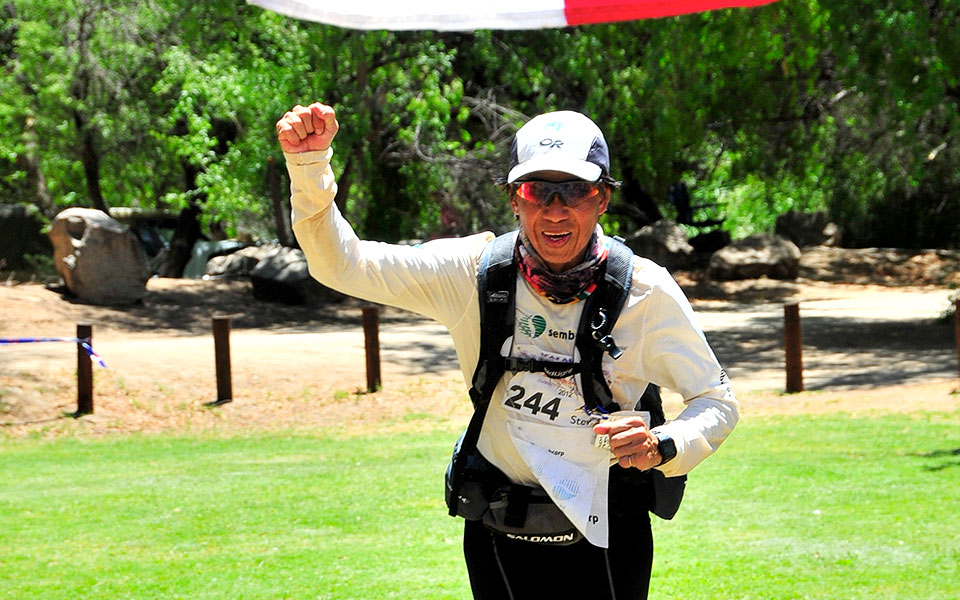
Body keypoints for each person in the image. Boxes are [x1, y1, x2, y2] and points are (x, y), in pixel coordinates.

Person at [276, 102, 739, 599]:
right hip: (499, 527)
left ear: (602, 198)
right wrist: (309, 166)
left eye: (575, 190)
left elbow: (717, 401)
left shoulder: (645, 290)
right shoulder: (472, 272)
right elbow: (342, 265)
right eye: (537, 190)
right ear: (514, 199)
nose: (555, 210)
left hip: (609, 530)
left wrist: (662, 444)